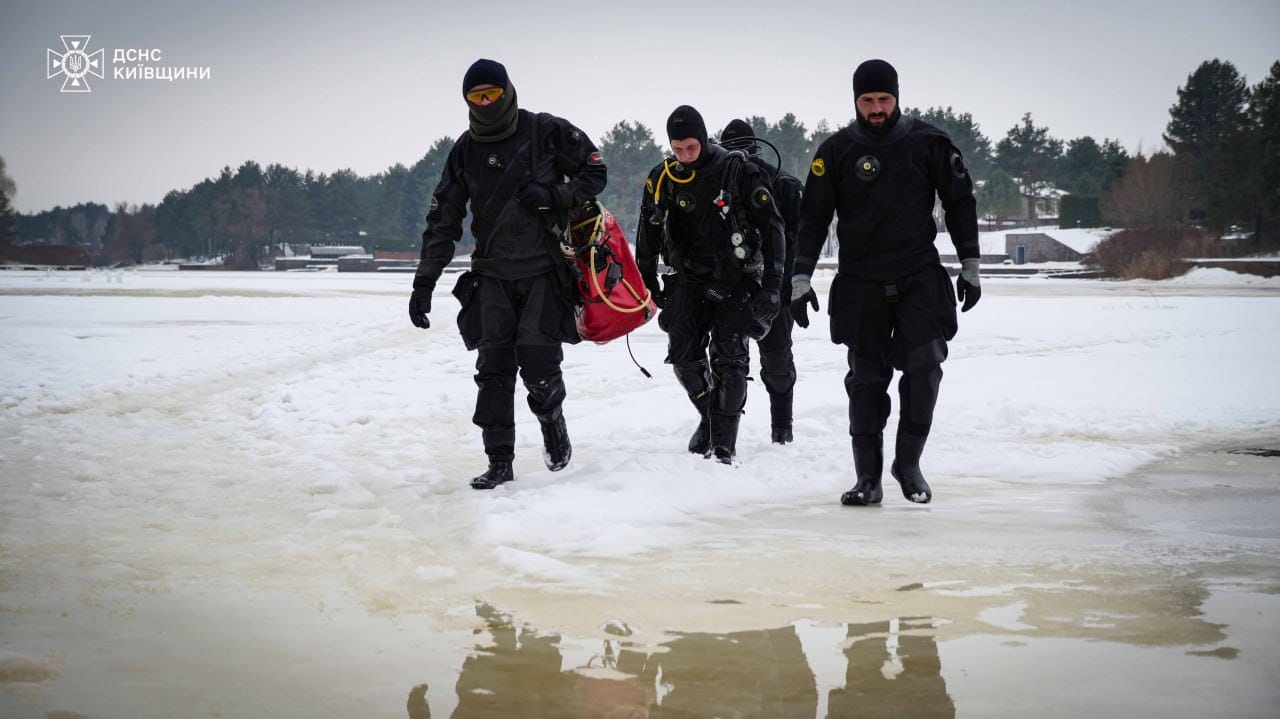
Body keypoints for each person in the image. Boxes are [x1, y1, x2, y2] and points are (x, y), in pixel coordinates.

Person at [408, 59, 607, 490]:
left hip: (543, 272)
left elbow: (596, 171)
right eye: (475, 97)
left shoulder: (546, 131)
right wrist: (424, 281)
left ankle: (552, 421)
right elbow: (444, 219)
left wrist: (557, 195)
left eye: (491, 94)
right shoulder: (464, 150)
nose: (484, 103)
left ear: (508, 92)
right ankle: (500, 461)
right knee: (493, 371)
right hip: (492, 276)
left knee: (538, 364)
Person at [791, 59, 981, 505]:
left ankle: (908, 464)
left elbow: (960, 202)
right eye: (867, 100)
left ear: (897, 97)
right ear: (855, 100)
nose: (876, 108)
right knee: (866, 378)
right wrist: (800, 276)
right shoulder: (835, 152)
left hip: (917, 274)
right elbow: (813, 218)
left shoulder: (929, 143)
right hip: (860, 279)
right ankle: (868, 479)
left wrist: (970, 265)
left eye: (884, 99)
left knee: (925, 367)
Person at [635, 106, 786, 464]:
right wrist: (647, 279)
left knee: (729, 356)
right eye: (677, 149)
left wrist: (772, 286)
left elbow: (773, 228)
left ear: (703, 139)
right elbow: (648, 233)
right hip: (689, 278)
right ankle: (710, 416)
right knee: (684, 357)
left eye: (690, 147)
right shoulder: (664, 177)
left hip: (738, 276)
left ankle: (723, 447)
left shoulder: (738, 172)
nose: (684, 156)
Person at [718, 119, 805, 444]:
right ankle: (722, 435)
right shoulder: (717, 182)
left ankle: (782, 430)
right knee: (728, 364)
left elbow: (802, 239)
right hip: (731, 286)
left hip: (776, 286)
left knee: (777, 361)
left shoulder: (784, 185)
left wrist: (797, 283)